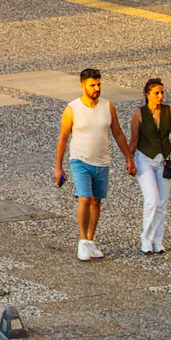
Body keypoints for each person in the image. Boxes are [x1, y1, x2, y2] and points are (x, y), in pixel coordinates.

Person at [54, 67, 135, 260]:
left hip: (102, 161)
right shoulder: (72, 109)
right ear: (82, 86)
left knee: (96, 201)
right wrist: (58, 167)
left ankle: (90, 241)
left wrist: (129, 158)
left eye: (98, 84)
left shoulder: (108, 106)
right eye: (92, 85)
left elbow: (117, 133)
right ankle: (82, 241)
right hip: (79, 160)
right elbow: (63, 139)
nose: (97, 88)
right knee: (84, 198)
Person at [127, 77, 171, 255]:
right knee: (152, 200)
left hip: (164, 160)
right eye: (156, 93)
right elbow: (133, 141)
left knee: (162, 203)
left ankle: (157, 241)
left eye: (162, 92)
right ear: (147, 94)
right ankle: (146, 239)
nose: (160, 96)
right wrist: (129, 160)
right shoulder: (139, 114)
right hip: (145, 159)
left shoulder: (168, 111)